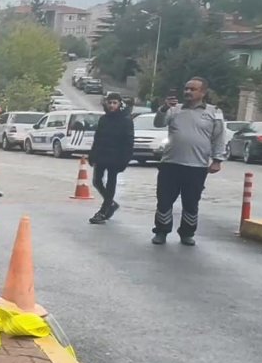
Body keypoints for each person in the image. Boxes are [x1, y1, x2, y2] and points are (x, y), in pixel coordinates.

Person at [151, 77, 227, 246]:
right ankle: (161, 231)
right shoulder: (174, 109)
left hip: (196, 166)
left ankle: (187, 233)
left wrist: (217, 160)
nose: (188, 92)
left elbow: (219, 137)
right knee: (164, 200)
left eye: (193, 89)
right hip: (170, 164)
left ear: (203, 92)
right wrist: (163, 108)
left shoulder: (214, 112)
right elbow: (158, 123)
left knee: (191, 202)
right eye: (186, 88)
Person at [87, 92, 134, 225]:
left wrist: (125, 160)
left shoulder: (125, 120)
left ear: (119, 104)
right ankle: (111, 203)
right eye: (110, 102)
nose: (112, 105)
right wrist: (92, 155)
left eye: (115, 103)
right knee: (97, 181)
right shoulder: (104, 119)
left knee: (111, 182)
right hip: (101, 155)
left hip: (116, 157)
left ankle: (104, 210)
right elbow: (97, 138)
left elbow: (129, 141)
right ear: (106, 103)